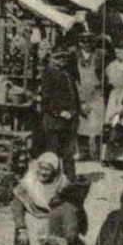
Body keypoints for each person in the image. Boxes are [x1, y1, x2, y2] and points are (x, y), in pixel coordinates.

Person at [11, 155, 65, 245]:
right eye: (42, 168)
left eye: (48, 169)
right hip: (29, 226)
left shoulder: (61, 184)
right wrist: (21, 228)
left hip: (49, 227)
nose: (44, 172)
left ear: (54, 171)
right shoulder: (28, 182)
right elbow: (17, 206)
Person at [40, 49, 80, 177]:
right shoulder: (48, 74)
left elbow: (74, 95)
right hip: (55, 120)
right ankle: (51, 179)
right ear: (51, 59)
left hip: (69, 119)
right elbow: (46, 99)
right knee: (53, 153)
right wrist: (59, 112)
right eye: (57, 58)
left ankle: (70, 179)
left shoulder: (67, 74)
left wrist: (75, 111)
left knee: (68, 152)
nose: (61, 60)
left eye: (63, 58)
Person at [75, 39, 106, 162]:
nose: (86, 45)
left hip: (96, 94)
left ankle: (97, 152)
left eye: (89, 42)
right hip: (82, 92)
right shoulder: (76, 55)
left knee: (97, 125)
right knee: (81, 124)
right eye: (84, 42)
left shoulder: (99, 55)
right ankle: (84, 151)